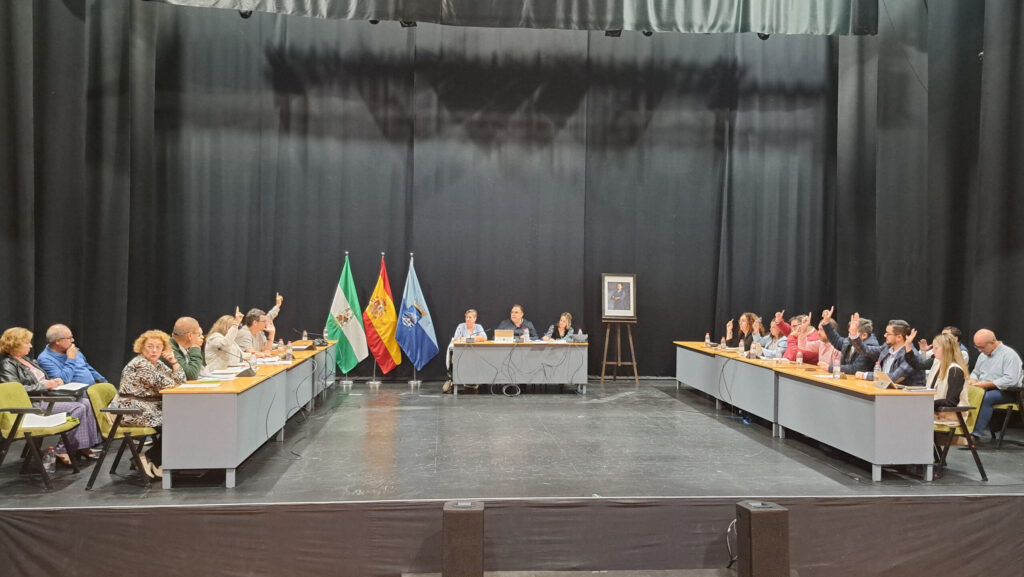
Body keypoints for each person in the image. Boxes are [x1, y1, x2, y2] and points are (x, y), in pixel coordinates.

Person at [0, 327, 102, 463]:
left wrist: (53, 382)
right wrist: (45, 385)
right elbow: (14, 391)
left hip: (45, 398)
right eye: (27, 343)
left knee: (86, 403)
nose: (31, 346)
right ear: (15, 344)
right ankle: (62, 450)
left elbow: (39, 381)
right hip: (33, 404)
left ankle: (82, 446)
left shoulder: (27, 360)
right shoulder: (8, 364)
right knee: (78, 407)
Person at [111, 330, 187, 478]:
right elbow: (170, 384)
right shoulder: (140, 364)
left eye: (158, 347)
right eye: (150, 346)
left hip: (149, 408)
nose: (154, 350)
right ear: (141, 347)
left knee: (180, 420)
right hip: (133, 411)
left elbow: (181, 381)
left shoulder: (156, 363)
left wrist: (174, 362)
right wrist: (174, 378)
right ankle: (154, 460)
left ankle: (151, 458)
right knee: (176, 423)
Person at [966, 329, 1023, 442]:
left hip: (1007, 392)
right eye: (977, 347)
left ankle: (975, 434)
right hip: (984, 388)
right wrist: (973, 379)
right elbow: (976, 372)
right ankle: (962, 429)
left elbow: (1011, 380)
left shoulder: (1009, 355)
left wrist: (986, 384)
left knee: (986, 397)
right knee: (965, 393)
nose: (979, 350)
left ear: (993, 342)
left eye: (981, 347)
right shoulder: (983, 355)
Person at [848, 313, 926, 387]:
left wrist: (865, 375)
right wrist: (854, 335)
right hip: (886, 391)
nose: (885, 335)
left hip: (908, 395)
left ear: (899, 337)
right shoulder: (887, 347)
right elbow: (865, 350)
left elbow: (894, 378)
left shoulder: (911, 355)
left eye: (888, 334)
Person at [903, 330, 969, 411]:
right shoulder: (936, 361)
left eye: (936, 348)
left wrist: (925, 403)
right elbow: (917, 365)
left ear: (946, 349)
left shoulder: (955, 370)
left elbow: (951, 402)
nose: (933, 351)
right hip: (934, 408)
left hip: (949, 413)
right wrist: (907, 345)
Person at [37, 323, 106, 385]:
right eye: (69, 338)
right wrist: (70, 359)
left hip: (93, 389)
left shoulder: (72, 350)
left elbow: (88, 368)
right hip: (76, 394)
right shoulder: (45, 359)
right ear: (57, 341)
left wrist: (104, 382)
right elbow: (62, 381)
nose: (73, 340)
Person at [819, 307, 879, 375]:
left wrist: (831, 368)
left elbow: (855, 369)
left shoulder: (870, 346)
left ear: (864, 335)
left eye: (853, 332)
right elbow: (836, 340)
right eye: (850, 331)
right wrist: (826, 323)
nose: (850, 335)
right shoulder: (849, 340)